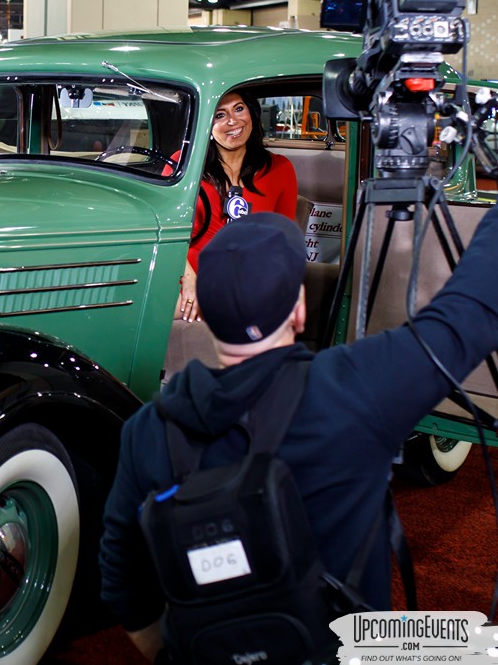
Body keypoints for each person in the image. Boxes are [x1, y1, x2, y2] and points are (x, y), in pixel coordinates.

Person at [99, 209, 498, 662]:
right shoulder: (355, 392)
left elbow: (122, 585)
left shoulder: (146, 431)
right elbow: (471, 314)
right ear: (300, 309)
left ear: (203, 311)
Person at [177, 90, 298, 322]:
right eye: (220, 115)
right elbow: (167, 236)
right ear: (206, 125)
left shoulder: (279, 168)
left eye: (239, 109)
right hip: (188, 278)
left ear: (252, 115)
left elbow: (284, 242)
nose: (233, 121)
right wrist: (189, 283)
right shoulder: (183, 167)